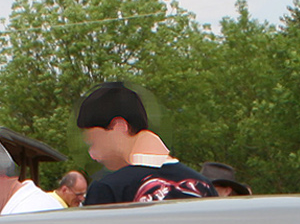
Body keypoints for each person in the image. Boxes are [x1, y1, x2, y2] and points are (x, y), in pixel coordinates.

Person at [76, 82, 215, 203]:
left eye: (93, 143)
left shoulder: (108, 189)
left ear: (119, 127)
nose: (93, 155)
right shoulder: (204, 186)